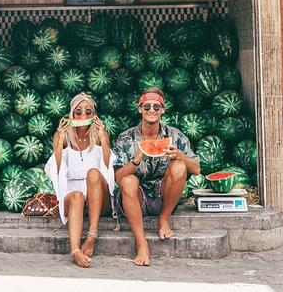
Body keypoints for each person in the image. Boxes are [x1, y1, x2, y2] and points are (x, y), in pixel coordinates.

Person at [113, 88, 200, 266]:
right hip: (135, 199)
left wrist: (179, 156)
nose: (151, 110)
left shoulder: (174, 135)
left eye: (156, 106)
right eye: (146, 106)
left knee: (179, 167)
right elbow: (118, 178)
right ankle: (142, 243)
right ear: (139, 109)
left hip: (164, 196)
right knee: (128, 180)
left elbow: (197, 169)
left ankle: (164, 220)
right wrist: (136, 160)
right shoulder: (125, 138)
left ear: (162, 109)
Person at [45, 92, 115, 267]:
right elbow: (57, 170)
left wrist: (103, 138)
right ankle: (75, 250)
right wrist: (60, 140)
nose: (83, 115)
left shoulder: (100, 134)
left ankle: (92, 233)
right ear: (71, 114)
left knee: (93, 172)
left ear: (94, 115)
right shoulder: (63, 136)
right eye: (78, 112)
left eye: (88, 111)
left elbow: (109, 166)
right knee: (75, 195)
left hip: (99, 197)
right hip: (74, 198)